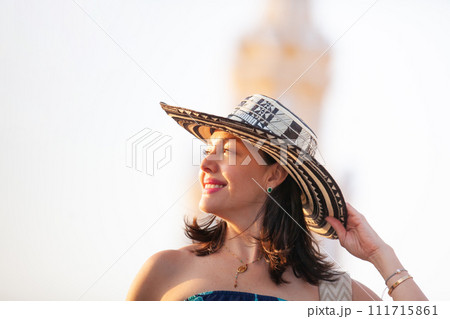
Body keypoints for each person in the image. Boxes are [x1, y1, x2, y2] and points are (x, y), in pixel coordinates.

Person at [126, 94, 427, 301]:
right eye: (208, 152)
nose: (205, 164)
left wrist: (380, 255)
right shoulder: (167, 269)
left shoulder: (330, 291)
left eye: (229, 152)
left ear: (274, 175)